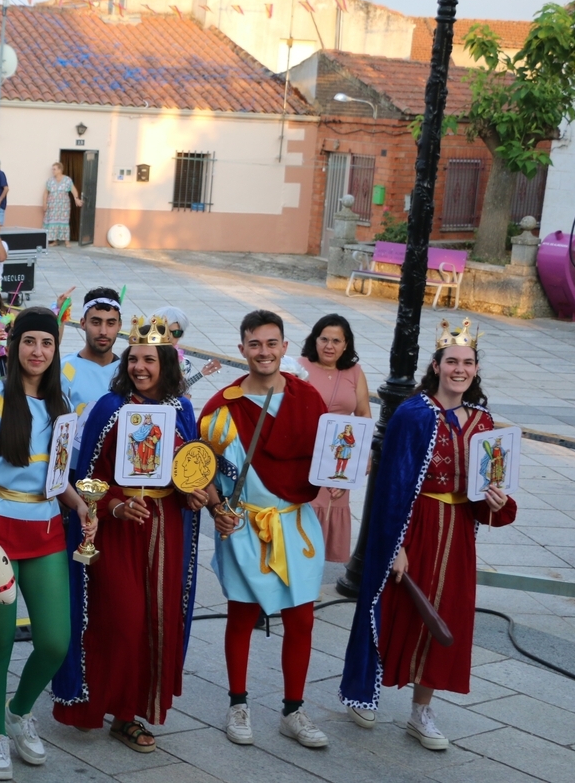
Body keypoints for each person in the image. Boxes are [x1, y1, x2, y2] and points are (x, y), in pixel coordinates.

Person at [340, 318, 516, 750]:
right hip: (412, 526)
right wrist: (394, 545)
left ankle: (421, 711)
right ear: (436, 366)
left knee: (444, 617)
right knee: (390, 609)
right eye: (452, 361)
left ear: (476, 369)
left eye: (468, 363)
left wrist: (496, 503)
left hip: (457, 535)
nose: (460, 369)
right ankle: (363, 692)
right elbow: (390, 487)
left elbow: (486, 488)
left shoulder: (483, 422)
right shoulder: (412, 414)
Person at [52, 315, 210, 751]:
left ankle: (128, 715)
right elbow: (86, 478)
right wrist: (116, 505)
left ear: (166, 364)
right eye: (134, 358)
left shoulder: (182, 409)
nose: (139, 367)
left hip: (167, 529)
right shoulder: (109, 408)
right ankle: (89, 703)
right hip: (118, 531)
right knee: (121, 619)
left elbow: (189, 468)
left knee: (155, 622)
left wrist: (196, 494)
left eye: (149, 359)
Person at [0, 307, 96, 781]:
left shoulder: (62, 403)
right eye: (30, 341)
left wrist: (79, 505)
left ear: (56, 349)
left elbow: (56, 477)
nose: (38, 351)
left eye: (47, 343)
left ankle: (18, 711)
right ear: (14, 346)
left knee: (55, 641)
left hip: (47, 528)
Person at [198, 309, 330, 749]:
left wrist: (347, 467)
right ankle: (238, 704)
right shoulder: (223, 408)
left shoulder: (307, 399)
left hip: (294, 522)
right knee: (241, 615)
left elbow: (330, 454)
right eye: (255, 344)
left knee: (302, 620)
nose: (264, 352)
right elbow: (203, 471)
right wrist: (216, 507)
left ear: (285, 347)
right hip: (244, 523)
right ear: (242, 349)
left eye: (272, 343)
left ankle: (293, 711)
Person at [297, 314, 372, 564]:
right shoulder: (298, 367)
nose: (329, 346)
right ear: (315, 340)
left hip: (339, 454)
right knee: (304, 515)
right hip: (306, 454)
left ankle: (314, 573)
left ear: (346, 344)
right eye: (324, 339)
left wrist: (364, 454)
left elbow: (363, 414)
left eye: (336, 341)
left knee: (331, 508)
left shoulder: (355, 372)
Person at [61, 287, 122, 419]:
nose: (103, 331)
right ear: (83, 323)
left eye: (110, 323)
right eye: (96, 322)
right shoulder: (64, 369)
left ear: (119, 326)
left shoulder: (127, 371)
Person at [151, 306, 221, 396]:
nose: (170, 337)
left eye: (176, 333)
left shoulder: (184, 364)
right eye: (164, 332)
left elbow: (180, 391)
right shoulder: (141, 355)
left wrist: (184, 398)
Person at [43, 163, 81, 246]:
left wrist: (76, 199)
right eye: (52, 169)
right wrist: (44, 203)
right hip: (52, 206)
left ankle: (67, 241)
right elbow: (45, 193)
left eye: (54, 169)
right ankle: (55, 241)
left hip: (63, 206)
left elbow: (74, 190)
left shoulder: (67, 180)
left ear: (60, 170)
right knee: (53, 222)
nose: (52, 171)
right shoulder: (50, 180)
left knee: (64, 222)